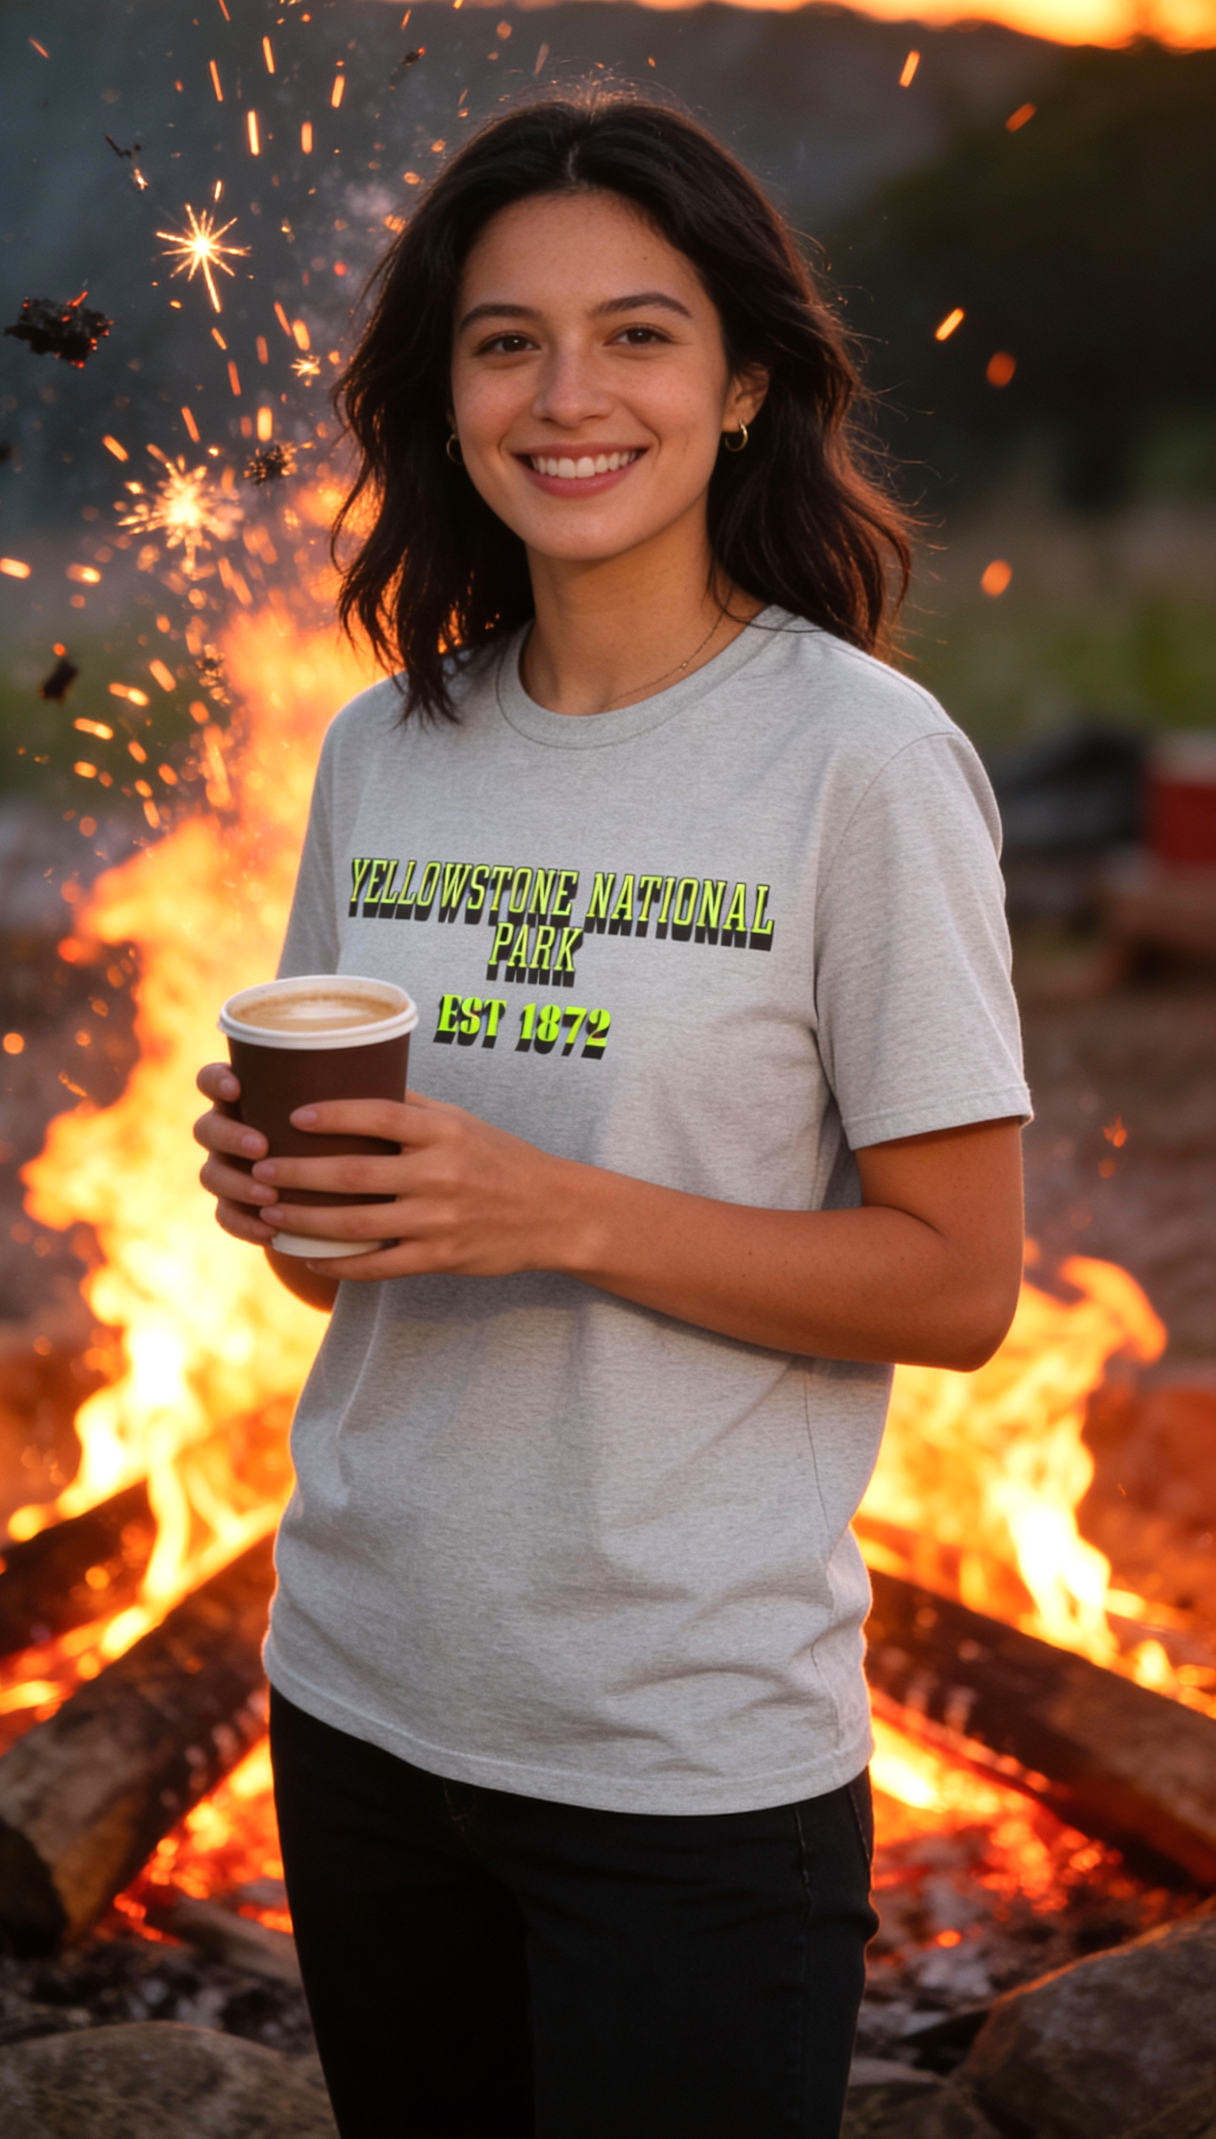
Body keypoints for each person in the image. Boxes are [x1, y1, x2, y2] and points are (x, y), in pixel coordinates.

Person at [194, 89, 1029, 2139]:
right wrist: (283, 1204)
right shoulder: (389, 747)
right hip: (361, 1694)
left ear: (744, 381)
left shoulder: (858, 760)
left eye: (637, 332)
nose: (568, 395)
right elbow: (342, 1269)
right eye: (505, 341)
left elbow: (956, 1286)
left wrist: (545, 1207)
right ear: (446, 393)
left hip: (681, 1754)